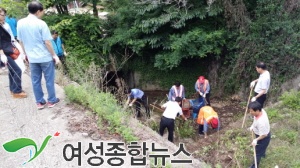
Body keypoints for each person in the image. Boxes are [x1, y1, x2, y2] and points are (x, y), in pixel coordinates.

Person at [17, 1, 61, 109]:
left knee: (35, 81)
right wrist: (54, 55)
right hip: (45, 57)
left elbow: (20, 41)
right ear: (38, 11)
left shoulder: (20, 23)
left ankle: (40, 102)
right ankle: (51, 100)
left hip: (32, 58)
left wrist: (25, 54)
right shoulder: (41, 23)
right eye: (42, 11)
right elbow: (47, 42)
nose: (43, 13)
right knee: (49, 80)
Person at [0, 7, 27, 98]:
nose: (4, 17)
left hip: (8, 49)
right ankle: (17, 91)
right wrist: (2, 54)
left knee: (12, 70)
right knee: (17, 70)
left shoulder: (4, 24)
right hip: (4, 52)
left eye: (4, 15)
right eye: (2, 15)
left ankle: (13, 89)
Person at [248, 101, 271, 168]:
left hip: (264, 137)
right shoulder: (261, 111)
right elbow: (255, 120)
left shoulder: (261, 122)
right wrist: (253, 126)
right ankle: (262, 154)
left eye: (251, 111)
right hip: (260, 132)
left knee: (257, 152)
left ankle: (254, 166)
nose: (250, 113)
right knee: (261, 149)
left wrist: (256, 139)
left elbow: (264, 135)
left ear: (257, 110)